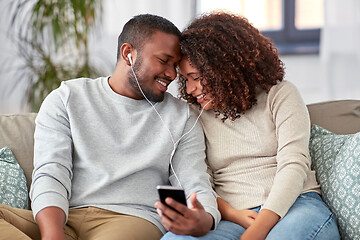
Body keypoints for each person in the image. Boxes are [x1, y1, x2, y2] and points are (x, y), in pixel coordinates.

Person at [0, 14, 220, 240]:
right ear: (128, 54)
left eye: (175, 66)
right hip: (64, 218)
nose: (172, 75)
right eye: (164, 61)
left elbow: (195, 182)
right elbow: (51, 174)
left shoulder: (181, 116)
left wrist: (204, 220)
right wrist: (53, 235)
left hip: (130, 219)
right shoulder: (67, 98)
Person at [160, 12, 340, 240]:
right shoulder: (195, 114)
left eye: (195, 77)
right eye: (185, 80)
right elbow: (199, 177)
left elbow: (294, 164)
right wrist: (233, 214)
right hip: (233, 216)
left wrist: (256, 231)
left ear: (223, 68)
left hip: (295, 206)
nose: (189, 89)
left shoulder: (280, 94)